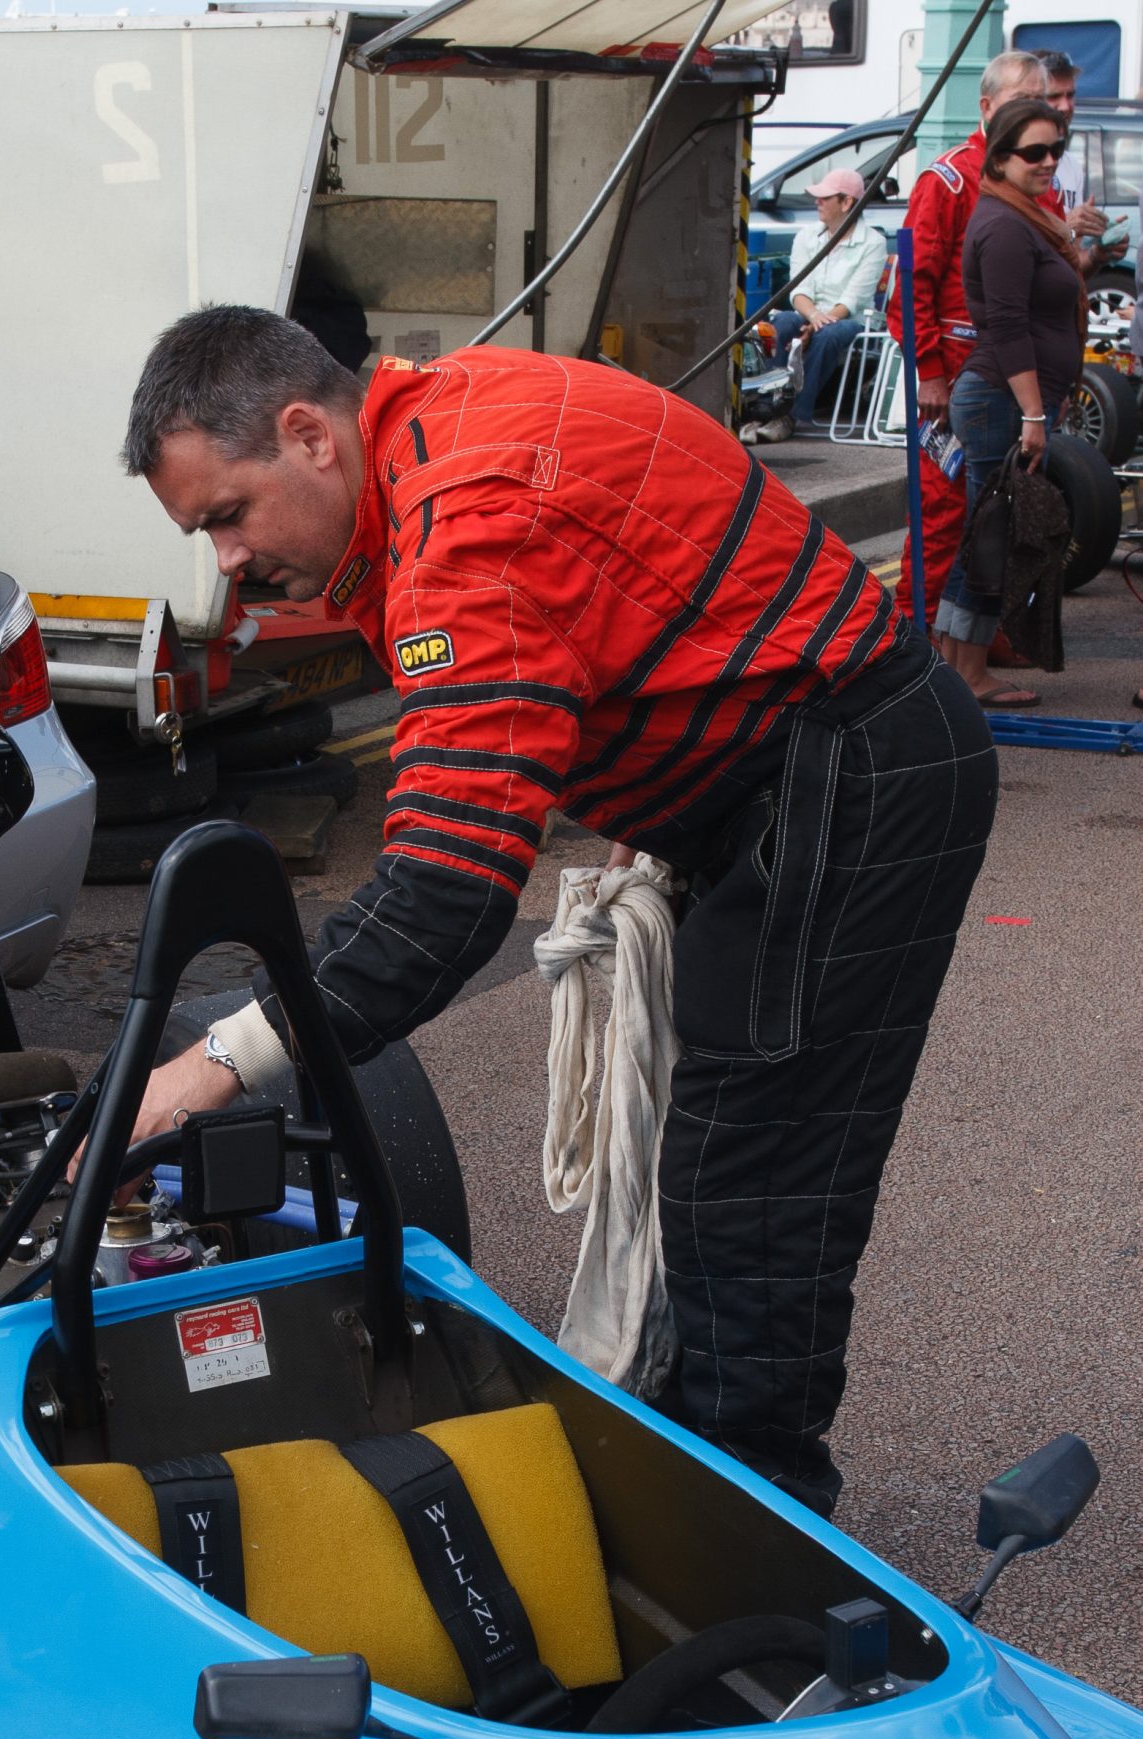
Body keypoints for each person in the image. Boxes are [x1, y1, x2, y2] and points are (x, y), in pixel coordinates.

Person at [120, 311, 999, 1515]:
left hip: (848, 777)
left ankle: (759, 1549)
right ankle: (700, 1464)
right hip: (793, 765)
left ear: (307, 433)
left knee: (750, 1181)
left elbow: (445, 887)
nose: (224, 560)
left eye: (227, 514)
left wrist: (213, 1067)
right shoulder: (435, 418)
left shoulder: (469, 517)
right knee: (717, 1163)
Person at [887, 47, 1047, 641]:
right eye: (1021, 100)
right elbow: (908, 284)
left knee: (1004, 513)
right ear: (986, 107)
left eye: (1041, 100)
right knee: (946, 512)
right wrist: (928, 371)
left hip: (1015, 375)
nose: (1034, 113)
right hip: (956, 378)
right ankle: (916, 643)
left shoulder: (1034, 176)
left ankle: (980, 636)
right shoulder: (950, 178)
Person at [934, 97, 1087, 699]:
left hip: (1008, 397)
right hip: (1000, 398)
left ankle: (954, 665)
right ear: (999, 157)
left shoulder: (1028, 216)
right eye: (1034, 152)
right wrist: (1033, 412)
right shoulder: (1002, 226)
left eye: (1056, 149)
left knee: (986, 532)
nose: (1049, 161)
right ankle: (969, 673)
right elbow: (1007, 326)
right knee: (996, 535)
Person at [770, 167, 887, 434]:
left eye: (825, 197)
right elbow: (798, 289)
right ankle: (767, 407)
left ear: (847, 203)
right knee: (781, 322)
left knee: (829, 335)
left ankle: (794, 415)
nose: (817, 202)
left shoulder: (873, 242)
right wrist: (813, 317)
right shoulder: (807, 235)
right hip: (810, 312)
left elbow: (853, 300)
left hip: (850, 320)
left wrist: (817, 324)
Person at [1036, 47, 1129, 276]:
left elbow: (1072, 267)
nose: (1066, 106)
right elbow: (1012, 252)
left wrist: (1099, 253)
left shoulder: (1071, 165)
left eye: (1070, 95)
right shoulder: (1013, 164)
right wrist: (1066, 228)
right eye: (1054, 97)